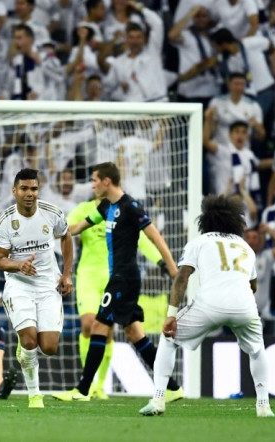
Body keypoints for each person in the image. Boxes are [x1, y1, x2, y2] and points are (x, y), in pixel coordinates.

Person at [54, 162, 182, 401]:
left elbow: (156, 239)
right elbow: (78, 227)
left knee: (98, 327)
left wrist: (173, 270)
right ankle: (173, 388)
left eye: (94, 180)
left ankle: (83, 389)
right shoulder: (105, 207)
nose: (91, 185)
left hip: (125, 278)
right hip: (118, 278)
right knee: (135, 334)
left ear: (106, 181)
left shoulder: (131, 207)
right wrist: (52, 229)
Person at [139, 195, 274, 418]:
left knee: (169, 338)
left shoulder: (199, 242)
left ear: (206, 220)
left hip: (210, 305)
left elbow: (182, 278)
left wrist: (171, 314)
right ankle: (264, 406)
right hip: (245, 306)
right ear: (236, 222)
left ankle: (158, 399)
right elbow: (253, 286)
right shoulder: (246, 247)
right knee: (257, 351)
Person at [0, 168, 74, 409]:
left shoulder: (52, 213)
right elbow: (0, 260)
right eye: (25, 189)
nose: (30, 194)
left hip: (48, 284)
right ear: (14, 191)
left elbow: (66, 237)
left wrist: (67, 274)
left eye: (34, 189)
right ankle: (34, 395)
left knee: (48, 347)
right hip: (19, 284)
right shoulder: (5, 221)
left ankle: (25, 345)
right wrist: (19, 265)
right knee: (30, 342)